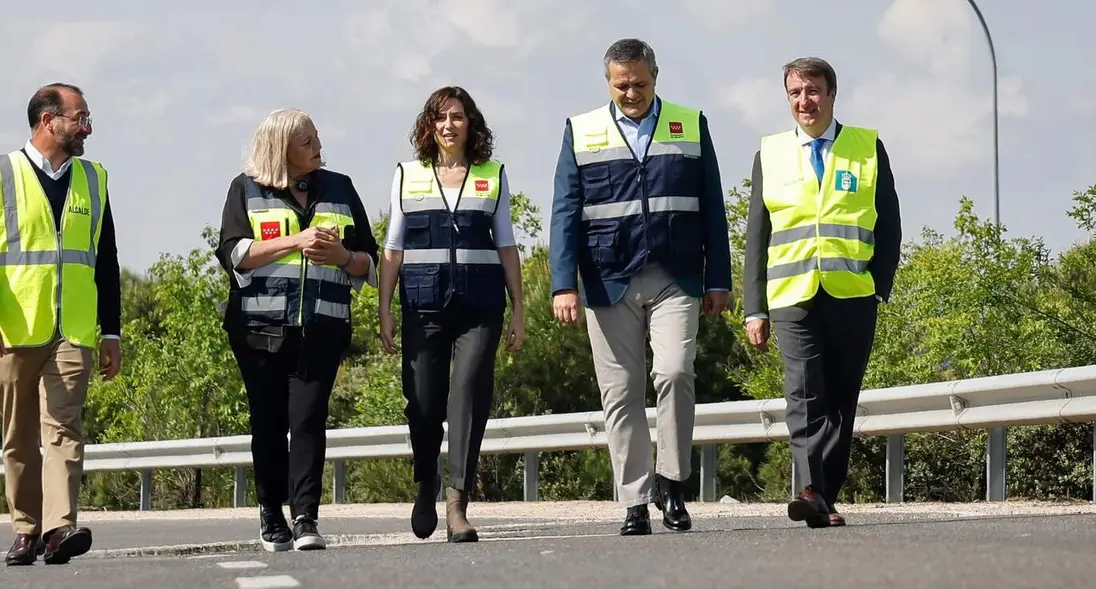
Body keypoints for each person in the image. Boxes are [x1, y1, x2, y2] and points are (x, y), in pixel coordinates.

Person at [549, 38, 731, 536]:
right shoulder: (581, 130)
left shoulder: (689, 124)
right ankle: (633, 500)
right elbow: (564, 212)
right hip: (607, 278)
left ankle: (672, 483)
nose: (631, 93)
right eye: (621, 84)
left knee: (674, 371)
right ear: (608, 81)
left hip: (676, 275)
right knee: (621, 391)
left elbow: (712, 205)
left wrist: (719, 278)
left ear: (656, 76)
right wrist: (562, 285)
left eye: (640, 83)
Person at [0, 82, 122, 566]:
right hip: (12, 329)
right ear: (48, 121)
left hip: (73, 329)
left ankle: (59, 529)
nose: (87, 127)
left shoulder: (94, 179)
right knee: (19, 435)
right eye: (80, 117)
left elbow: (106, 260)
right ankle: (26, 529)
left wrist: (110, 330)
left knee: (64, 428)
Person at [742, 57, 902, 528]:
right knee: (804, 392)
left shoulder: (866, 147)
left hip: (853, 293)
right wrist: (755, 308)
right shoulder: (769, 153)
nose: (803, 101)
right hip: (792, 294)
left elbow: (889, 224)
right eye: (794, 93)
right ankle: (811, 490)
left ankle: (823, 496)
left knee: (840, 400)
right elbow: (757, 235)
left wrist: (880, 286)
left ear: (832, 94)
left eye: (812, 91)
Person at [215, 108, 379, 552]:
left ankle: (306, 516)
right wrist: (296, 241)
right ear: (281, 149)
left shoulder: (340, 188)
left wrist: (343, 257)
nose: (318, 147)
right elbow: (233, 253)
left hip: (323, 328)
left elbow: (371, 259)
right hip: (259, 331)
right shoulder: (245, 189)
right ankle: (271, 513)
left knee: (308, 419)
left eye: (316, 138)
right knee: (268, 423)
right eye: (307, 142)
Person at [377, 86, 526, 543]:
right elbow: (393, 247)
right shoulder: (408, 175)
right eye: (440, 117)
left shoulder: (492, 174)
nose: (448, 125)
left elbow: (506, 244)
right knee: (423, 405)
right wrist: (383, 310)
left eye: (457, 117)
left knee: (468, 396)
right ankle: (426, 484)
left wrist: (520, 308)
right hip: (422, 307)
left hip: (480, 307)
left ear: (470, 124)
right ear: (428, 125)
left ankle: (457, 502)